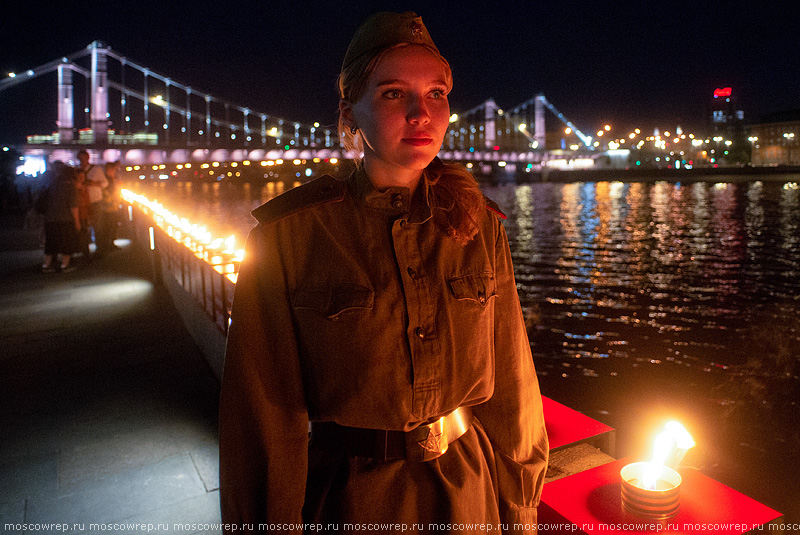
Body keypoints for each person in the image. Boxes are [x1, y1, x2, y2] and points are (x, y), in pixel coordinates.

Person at [219, 11, 548, 534]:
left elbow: (513, 382)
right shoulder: (289, 237)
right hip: (351, 503)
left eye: (436, 93)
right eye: (394, 94)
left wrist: (522, 503)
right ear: (351, 114)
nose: (422, 113)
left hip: (469, 494)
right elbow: (263, 415)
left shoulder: (480, 226)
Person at [41, 162, 81, 273]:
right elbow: (73, 206)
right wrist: (77, 222)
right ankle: (64, 265)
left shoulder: (52, 184)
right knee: (66, 243)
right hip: (65, 219)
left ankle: (46, 265)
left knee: (51, 243)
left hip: (50, 218)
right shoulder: (70, 186)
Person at [76, 149, 108, 255]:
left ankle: (100, 249)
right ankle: (85, 251)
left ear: (88, 158)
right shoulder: (76, 171)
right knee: (84, 227)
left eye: (84, 158)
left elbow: (105, 183)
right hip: (83, 203)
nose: (83, 160)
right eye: (81, 158)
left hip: (96, 201)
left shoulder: (96, 169)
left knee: (97, 226)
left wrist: (93, 183)